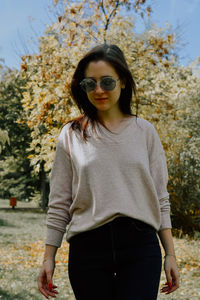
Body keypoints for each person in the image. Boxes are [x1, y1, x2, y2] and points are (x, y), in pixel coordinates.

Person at [38, 43, 180, 300]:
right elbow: (59, 202)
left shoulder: (145, 132)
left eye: (107, 82)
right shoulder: (70, 135)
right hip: (87, 249)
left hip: (140, 248)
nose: (99, 90)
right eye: (90, 84)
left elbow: (160, 197)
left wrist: (170, 253)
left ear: (123, 81)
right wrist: (49, 257)